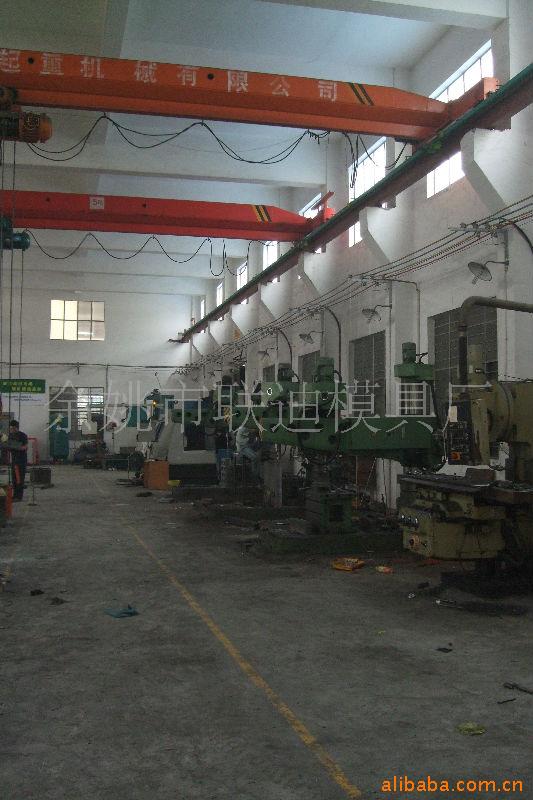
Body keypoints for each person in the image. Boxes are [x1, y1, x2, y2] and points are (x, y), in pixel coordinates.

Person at [7, 420, 28, 501]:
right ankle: (14, 495)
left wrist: (17, 447)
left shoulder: (23, 435)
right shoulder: (10, 435)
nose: (11, 430)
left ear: (16, 428)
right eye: (11, 428)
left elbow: (25, 447)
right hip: (14, 460)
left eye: (13, 428)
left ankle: (19, 497)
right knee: (14, 479)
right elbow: (8, 446)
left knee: (20, 479)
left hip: (21, 460)